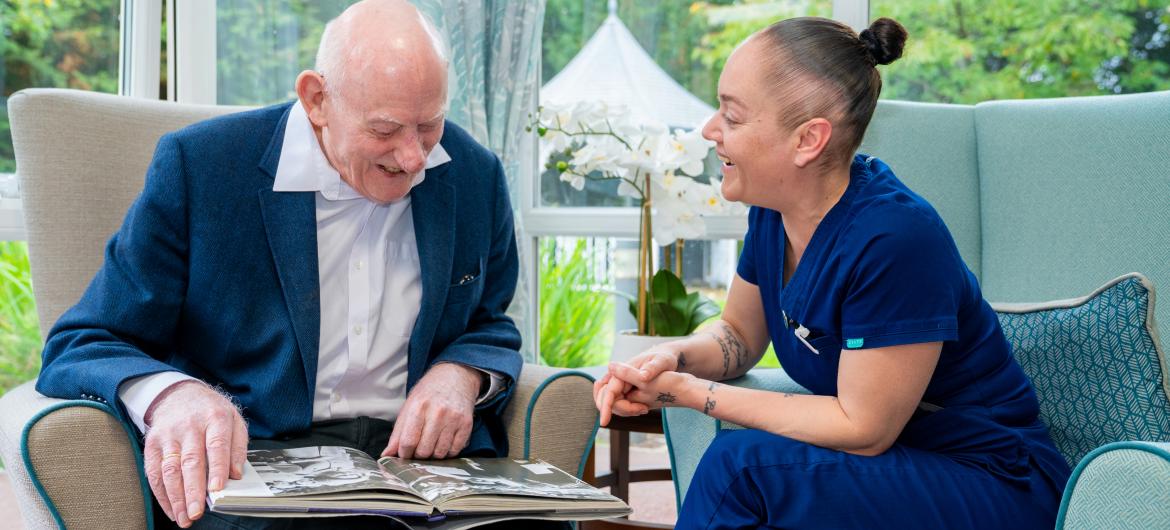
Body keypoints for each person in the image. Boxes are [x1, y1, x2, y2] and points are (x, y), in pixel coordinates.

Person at [34, 1, 562, 529]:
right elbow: (84, 341)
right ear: (316, 99)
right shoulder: (201, 169)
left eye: (429, 125)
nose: (413, 158)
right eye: (385, 130)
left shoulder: (475, 175)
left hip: (426, 471)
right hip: (266, 469)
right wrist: (172, 395)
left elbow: (491, 320)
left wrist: (461, 374)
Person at [594, 16, 1071, 529]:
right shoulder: (773, 214)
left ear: (808, 140)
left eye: (731, 117)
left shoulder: (895, 238)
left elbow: (864, 427)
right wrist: (671, 355)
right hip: (890, 470)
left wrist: (691, 393)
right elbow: (738, 334)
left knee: (743, 471)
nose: (710, 130)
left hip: (990, 480)